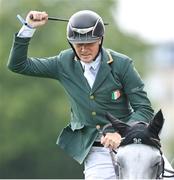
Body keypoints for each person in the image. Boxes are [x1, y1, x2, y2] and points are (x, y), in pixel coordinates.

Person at [8, 10, 155, 179]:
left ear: (100, 40)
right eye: (78, 45)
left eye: (90, 43)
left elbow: (144, 109)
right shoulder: (63, 63)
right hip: (97, 151)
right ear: (71, 44)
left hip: (132, 145)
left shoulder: (122, 64)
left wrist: (122, 132)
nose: (84, 50)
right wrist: (28, 27)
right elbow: (18, 65)